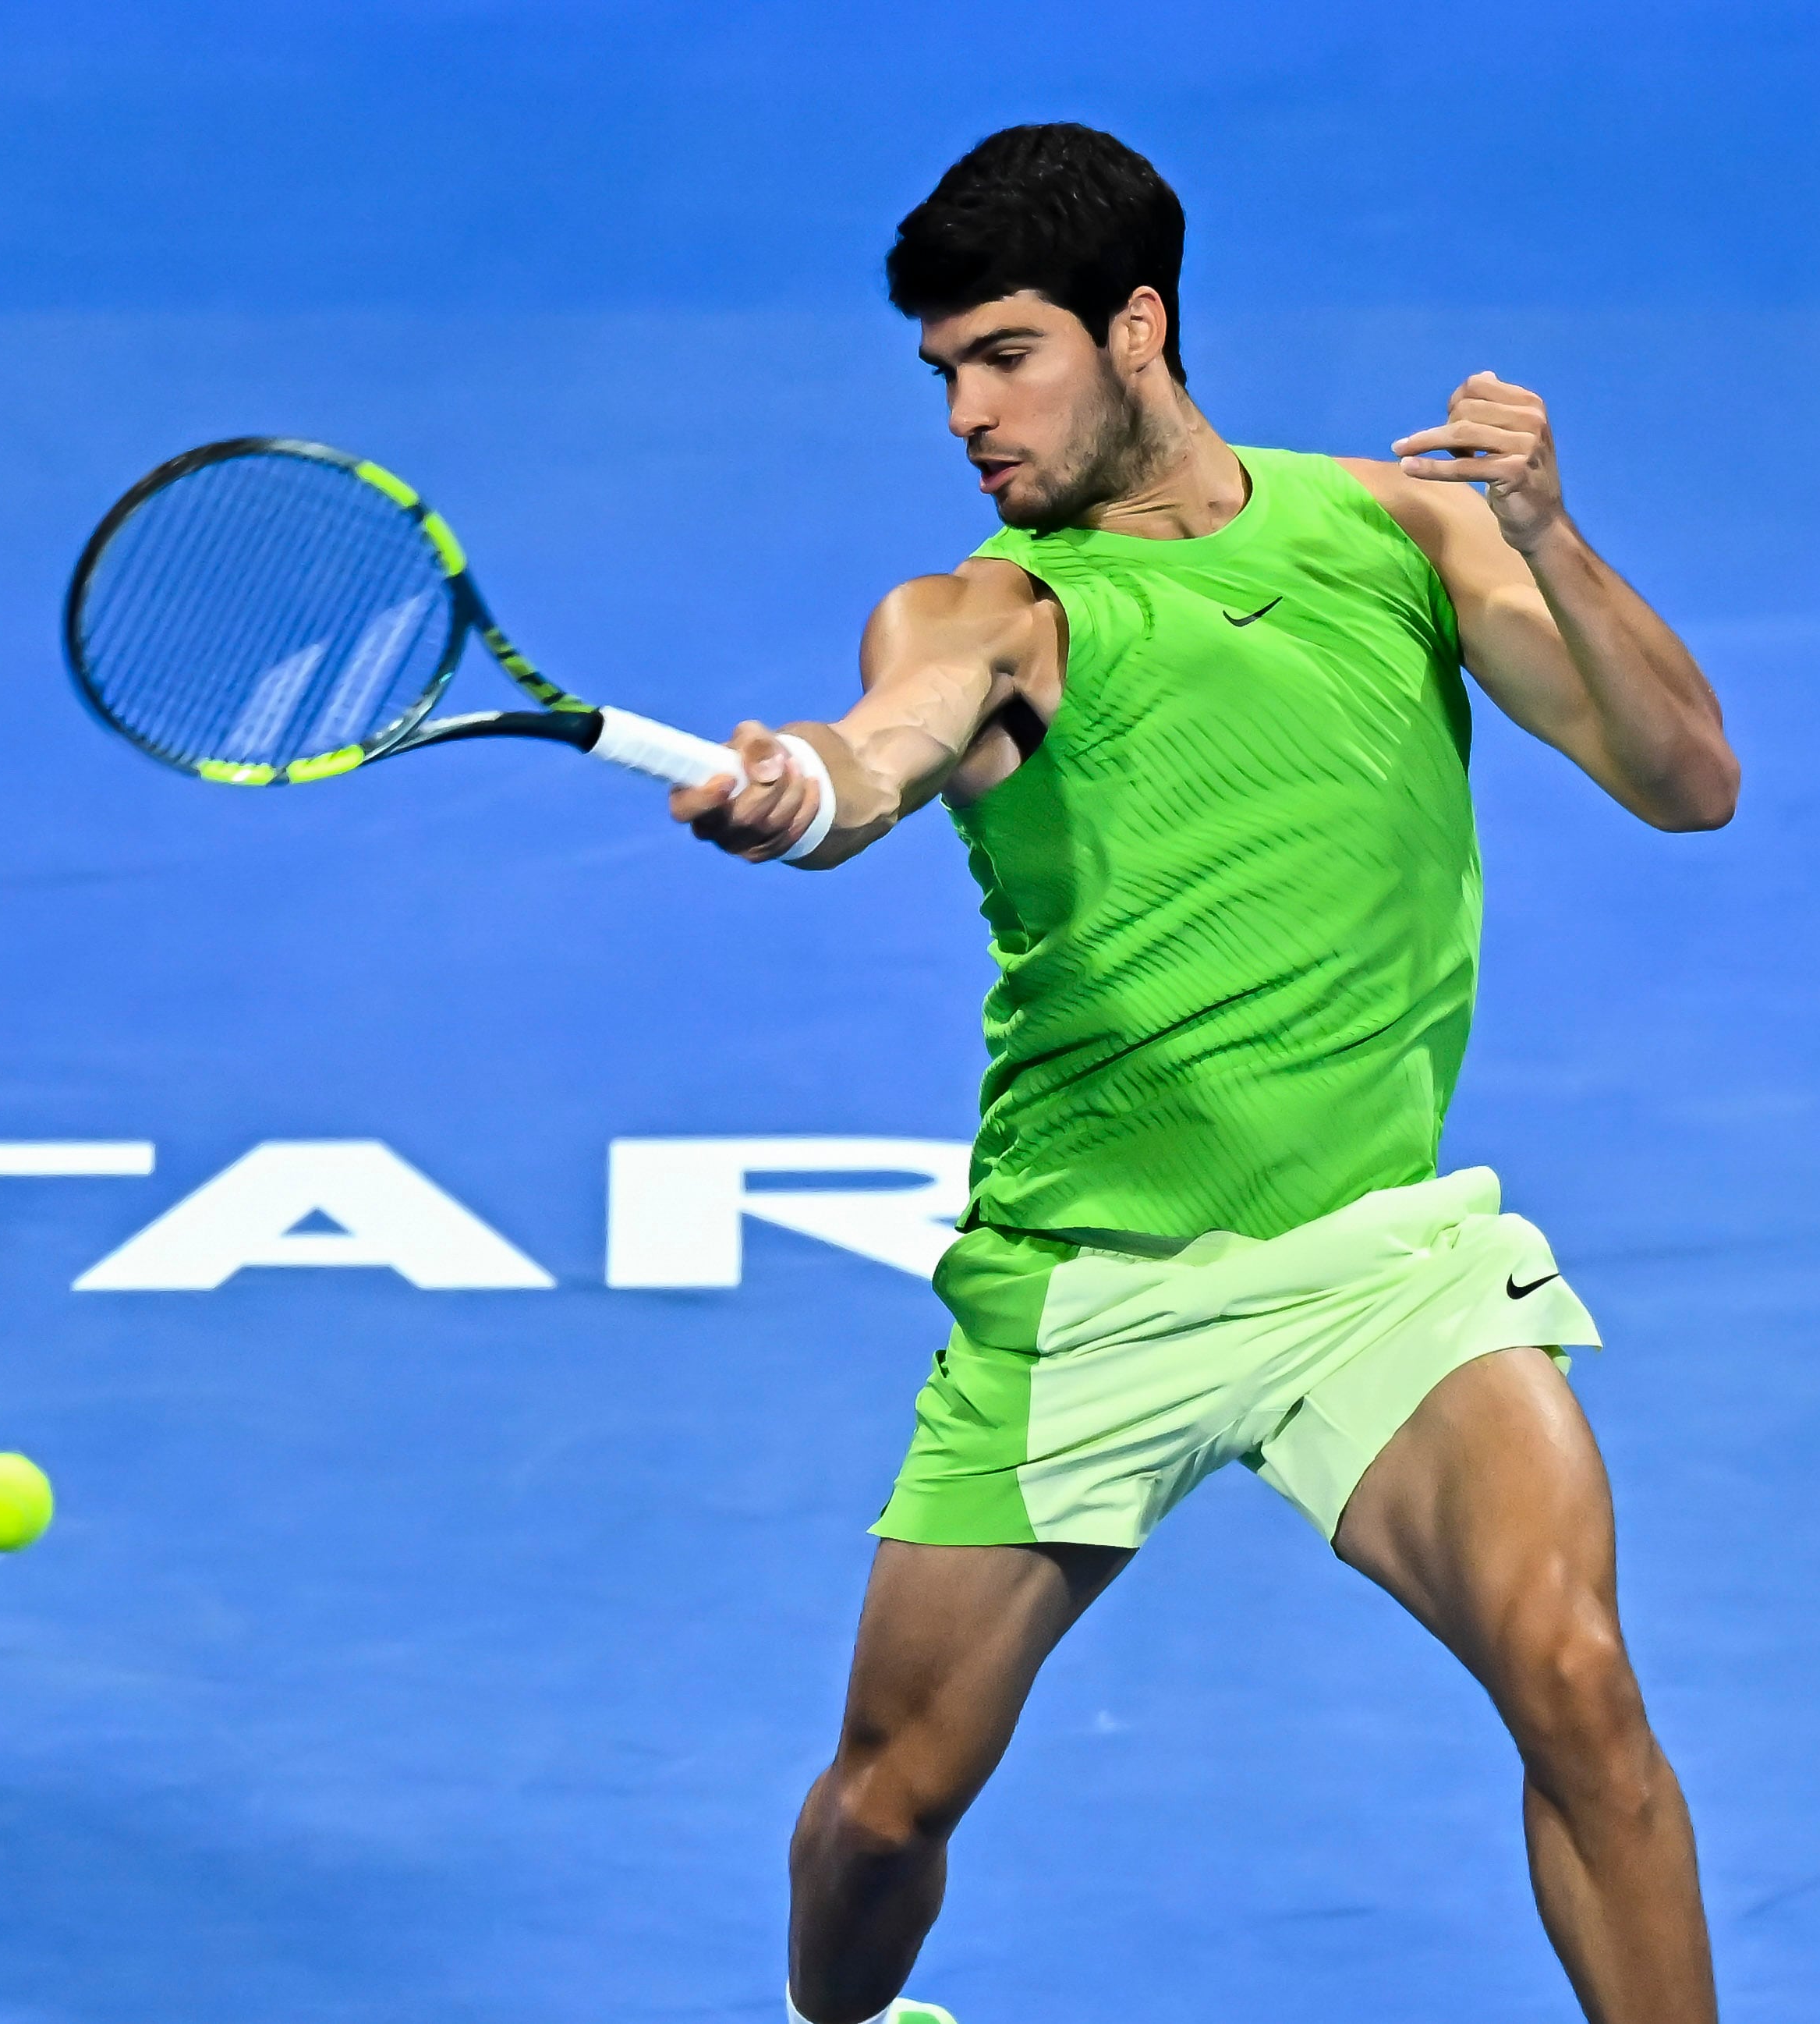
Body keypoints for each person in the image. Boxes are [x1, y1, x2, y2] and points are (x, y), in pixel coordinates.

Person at [675, 123, 1737, 2024]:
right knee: (884, 1809)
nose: (964, 415)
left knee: (1576, 1680)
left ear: (1136, 326)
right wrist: (803, 789)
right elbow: (882, 746)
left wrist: (1549, 536)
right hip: (1090, 1288)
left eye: (1004, 355)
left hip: (1373, 1262)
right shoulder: (987, 612)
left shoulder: (1401, 533)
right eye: (941, 371)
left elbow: (1686, 781)